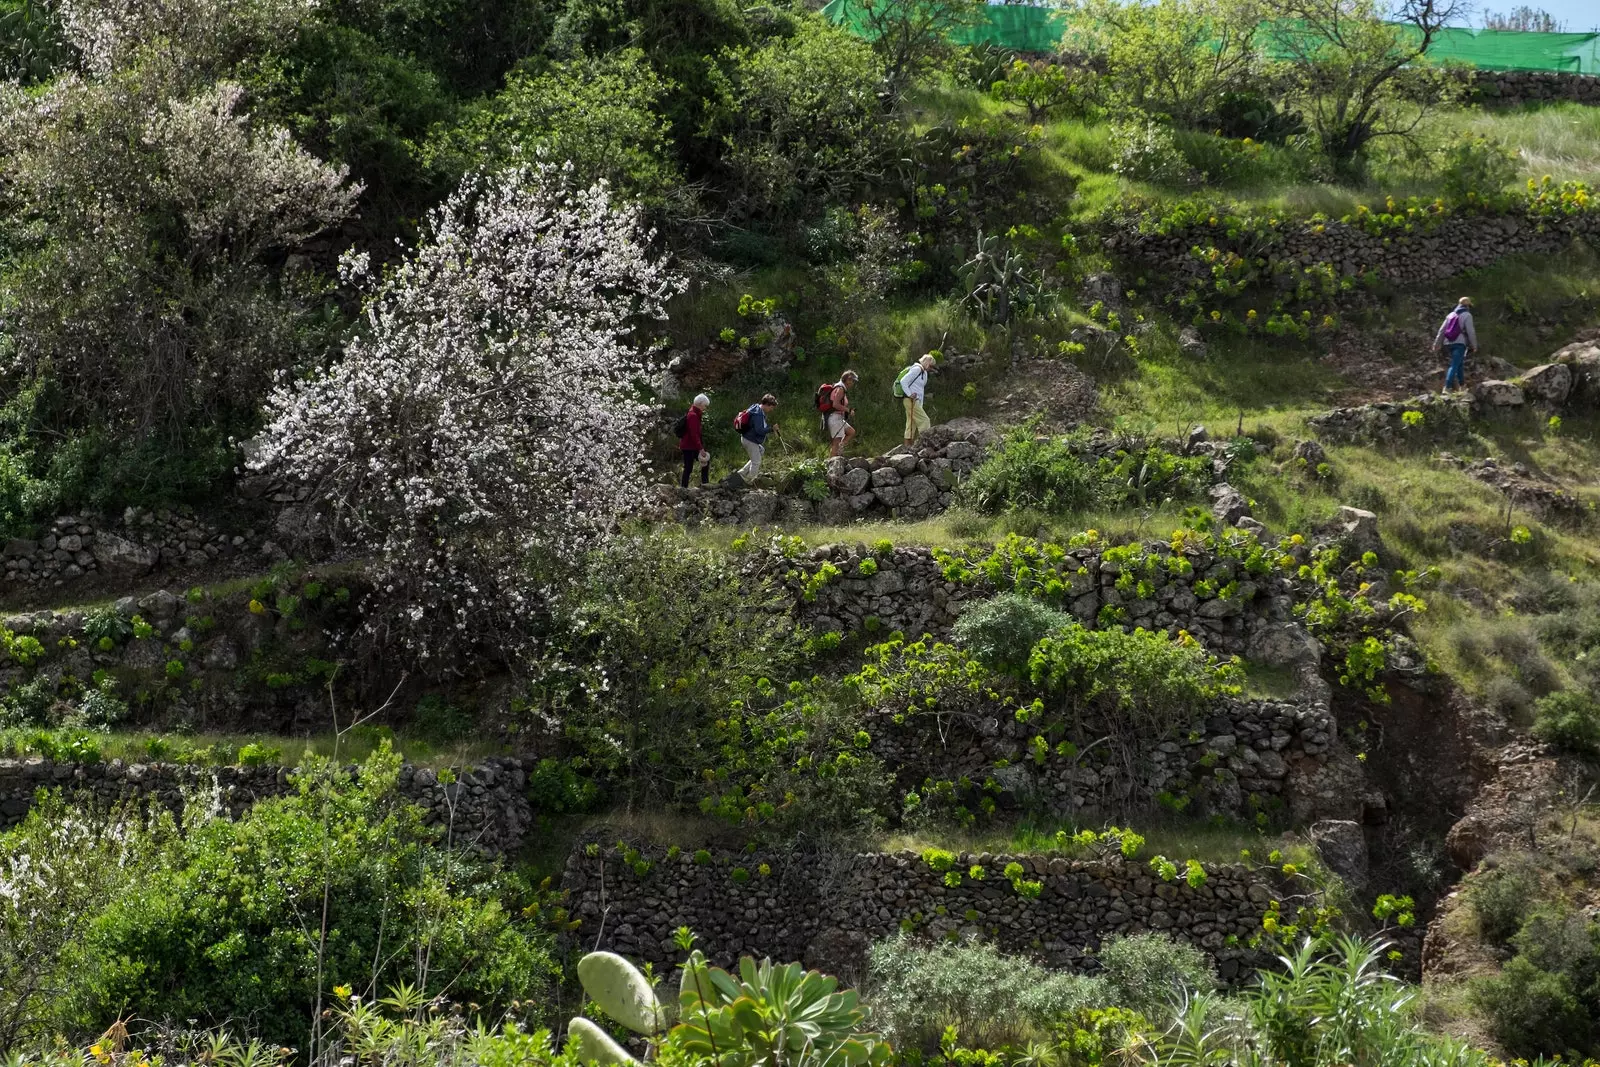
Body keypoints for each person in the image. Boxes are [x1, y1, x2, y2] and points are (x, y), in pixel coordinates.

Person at [1433, 296, 1478, 393]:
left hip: (1448, 343)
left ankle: (1462, 386)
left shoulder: (1450, 315)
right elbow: (1471, 331)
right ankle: (1447, 387)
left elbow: (1442, 330)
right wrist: (1474, 345)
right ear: (1467, 306)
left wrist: (1437, 343)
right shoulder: (1467, 315)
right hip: (1460, 343)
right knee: (1454, 364)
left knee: (1459, 364)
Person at [735, 394, 778, 485]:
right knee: (756, 462)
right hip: (750, 440)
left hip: (746, 437)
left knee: (761, 450)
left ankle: (742, 472)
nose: (771, 410)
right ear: (766, 404)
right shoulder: (758, 414)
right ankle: (749, 481)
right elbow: (759, 430)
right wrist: (771, 429)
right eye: (771, 407)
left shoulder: (755, 407)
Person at [897, 353, 936, 447]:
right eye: (931, 366)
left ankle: (908, 447)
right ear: (927, 363)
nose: (931, 368)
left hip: (915, 401)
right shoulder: (916, 369)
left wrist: (920, 403)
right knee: (925, 420)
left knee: (911, 423)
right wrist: (910, 394)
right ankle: (925, 444)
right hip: (910, 400)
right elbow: (903, 381)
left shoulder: (924, 372)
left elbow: (920, 389)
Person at [677, 394, 711, 488]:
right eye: (704, 406)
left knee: (703, 463)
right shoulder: (693, 415)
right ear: (700, 404)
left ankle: (703, 484)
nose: (705, 408)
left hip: (690, 445)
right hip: (689, 446)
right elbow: (694, 434)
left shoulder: (693, 413)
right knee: (689, 467)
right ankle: (685, 488)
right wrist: (700, 448)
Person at [825, 370, 858, 457]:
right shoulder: (840, 389)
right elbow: (835, 404)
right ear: (847, 380)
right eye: (852, 381)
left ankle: (840, 451)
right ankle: (831, 465)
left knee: (851, 432)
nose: (853, 383)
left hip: (838, 417)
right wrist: (848, 410)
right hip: (835, 418)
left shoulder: (839, 387)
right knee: (836, 443)